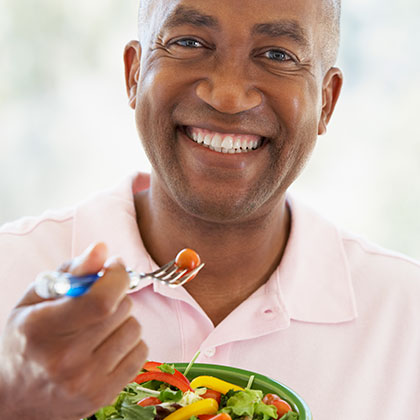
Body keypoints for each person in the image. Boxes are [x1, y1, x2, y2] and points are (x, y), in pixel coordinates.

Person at [0, 0, 419, 419]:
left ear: (326, 101)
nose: (228, 96)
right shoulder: (11, 270)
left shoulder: (405, 316)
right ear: (133, 72)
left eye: (277, 55)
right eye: (189, 42)